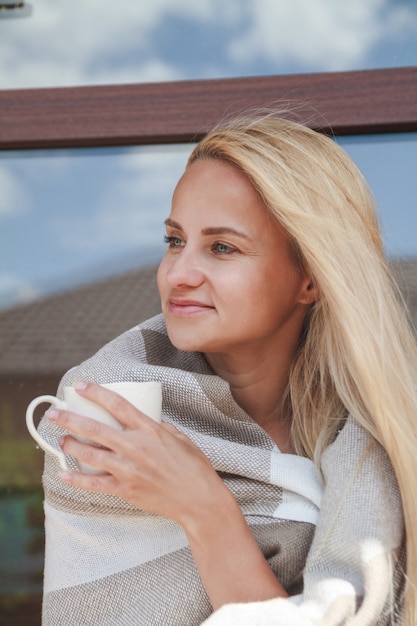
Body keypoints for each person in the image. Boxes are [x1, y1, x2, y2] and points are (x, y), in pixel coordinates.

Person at [38, 113, 417, 625]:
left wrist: (205, 510)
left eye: (222, 247)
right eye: (175, 240)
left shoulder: (385, 441)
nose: (179, 272)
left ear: (311, 278)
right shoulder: (109, 416)